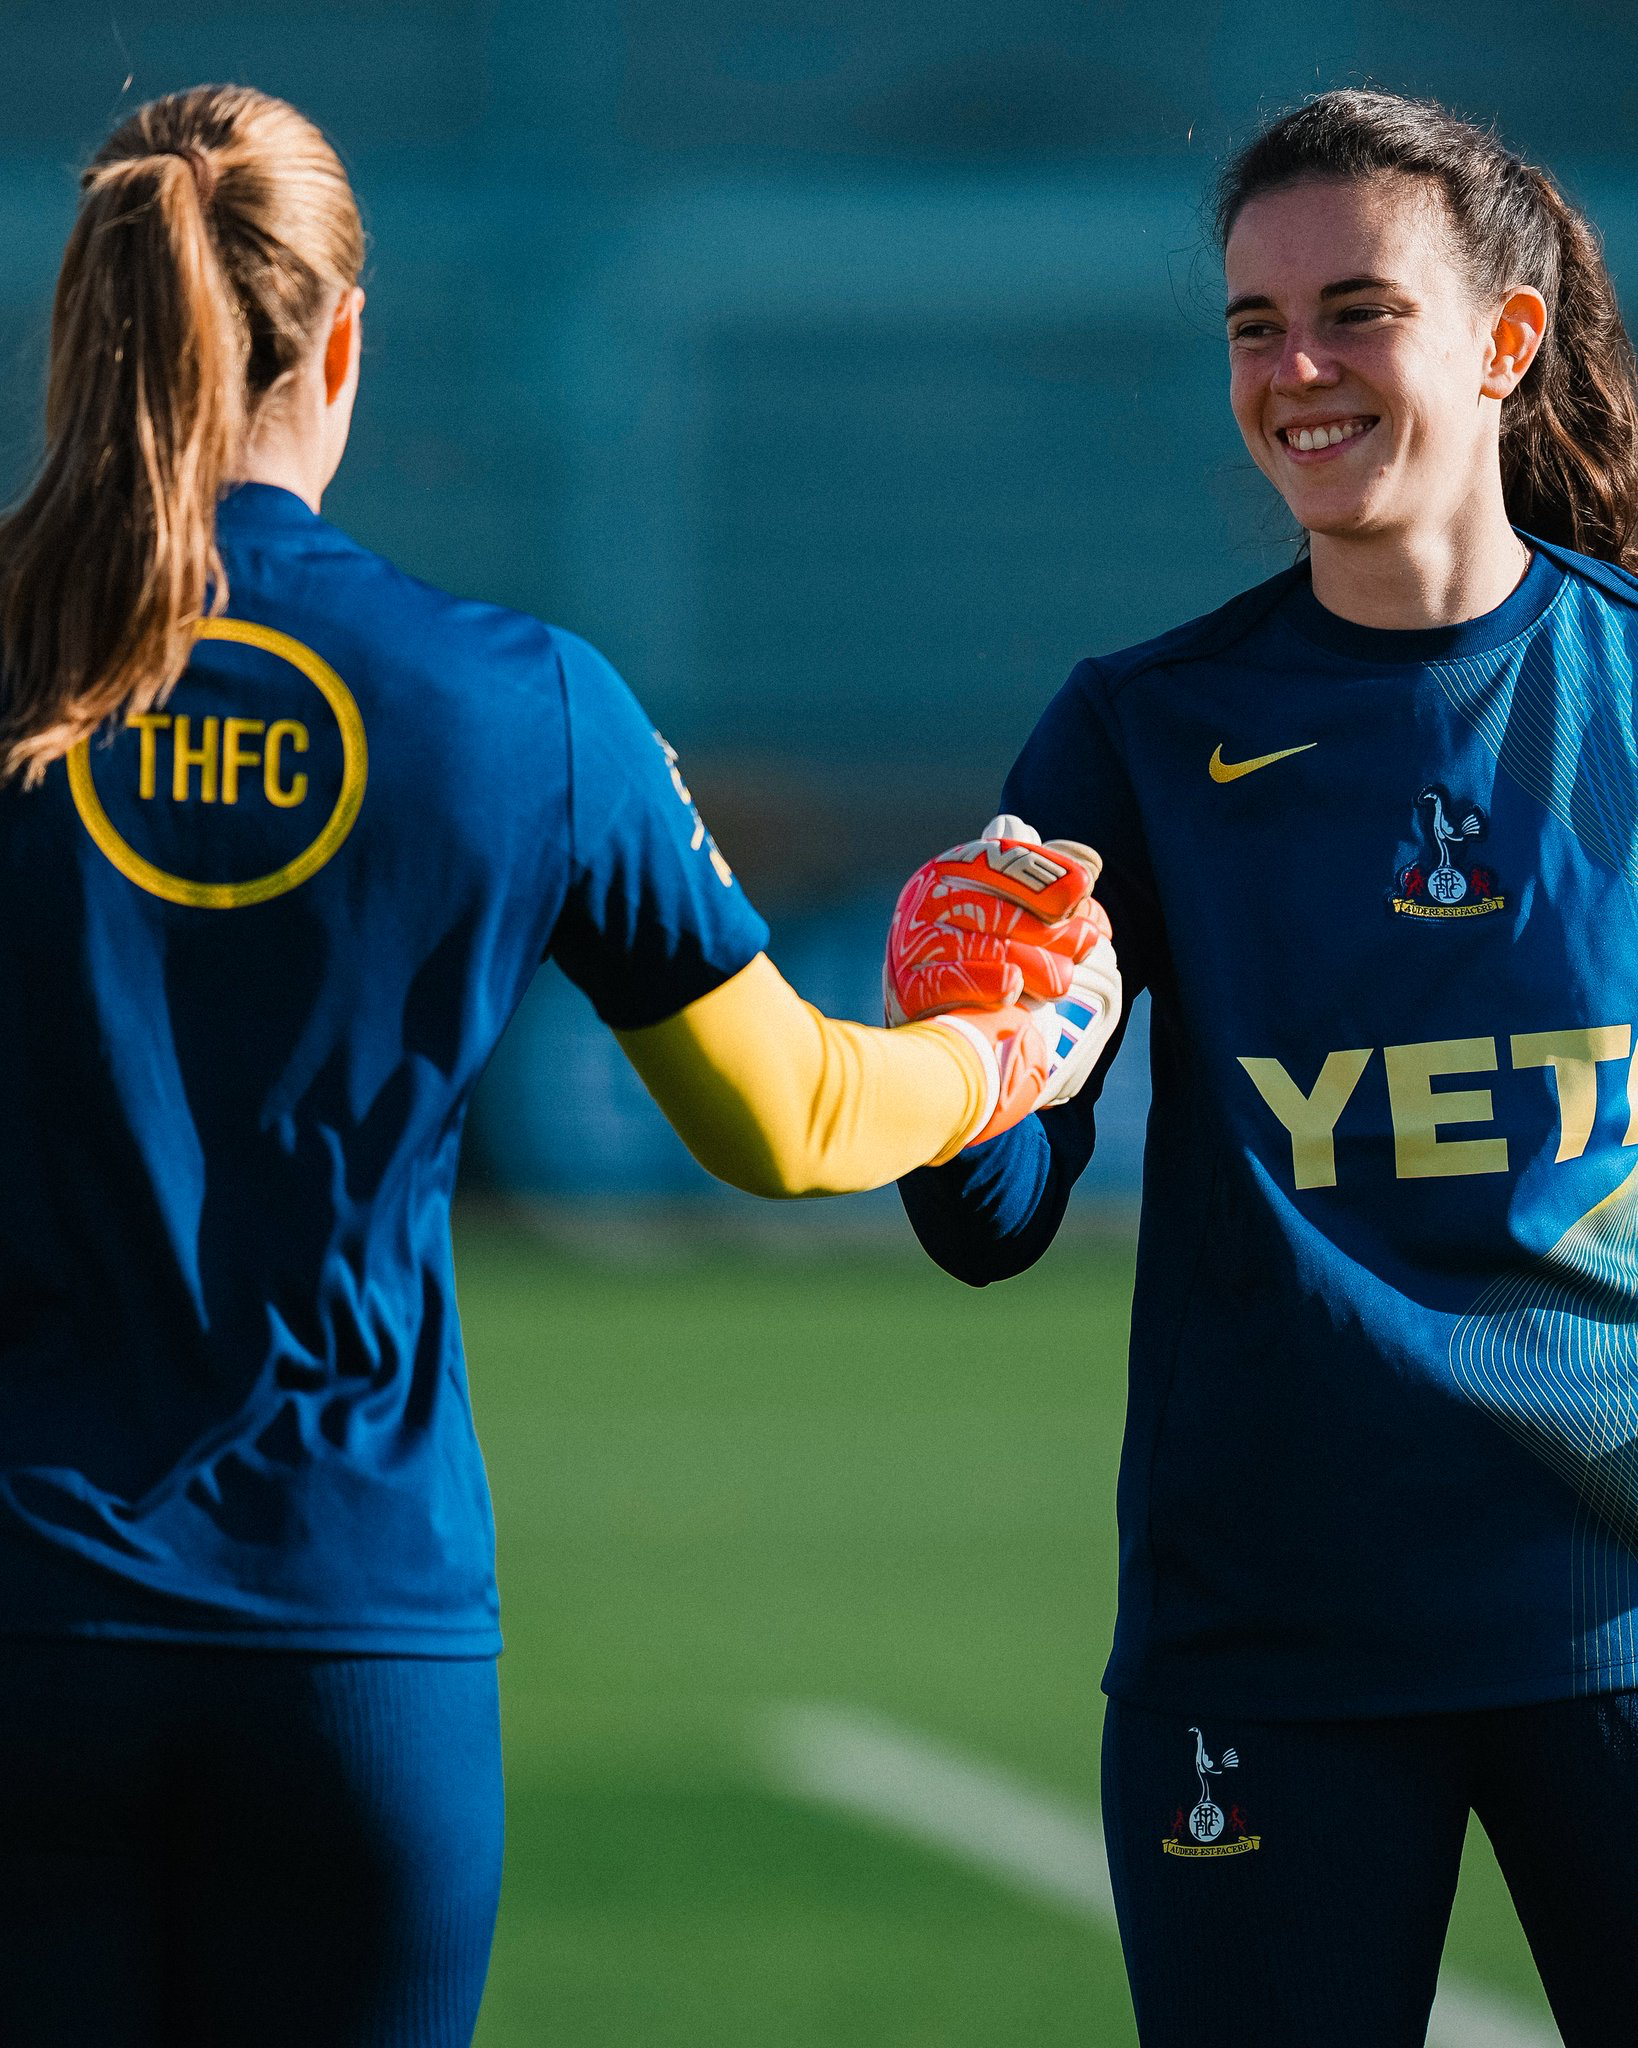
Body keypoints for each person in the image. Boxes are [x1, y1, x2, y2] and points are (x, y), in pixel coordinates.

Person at [0, 86, 1115, 2047]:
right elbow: (789, 1122)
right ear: (346, 345)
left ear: (83, 327)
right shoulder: (520, 701)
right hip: (352, 1644)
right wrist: (1004, 1053)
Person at [886, 88, 1638, 2048]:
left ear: (1505, 339)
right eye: (1254, 325)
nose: (1295, 369)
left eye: (1354, 312)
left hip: (1617, 1617)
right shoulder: (1139, 733)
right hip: (1270, 1647)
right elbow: (989, 1221)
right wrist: (956, 1045)